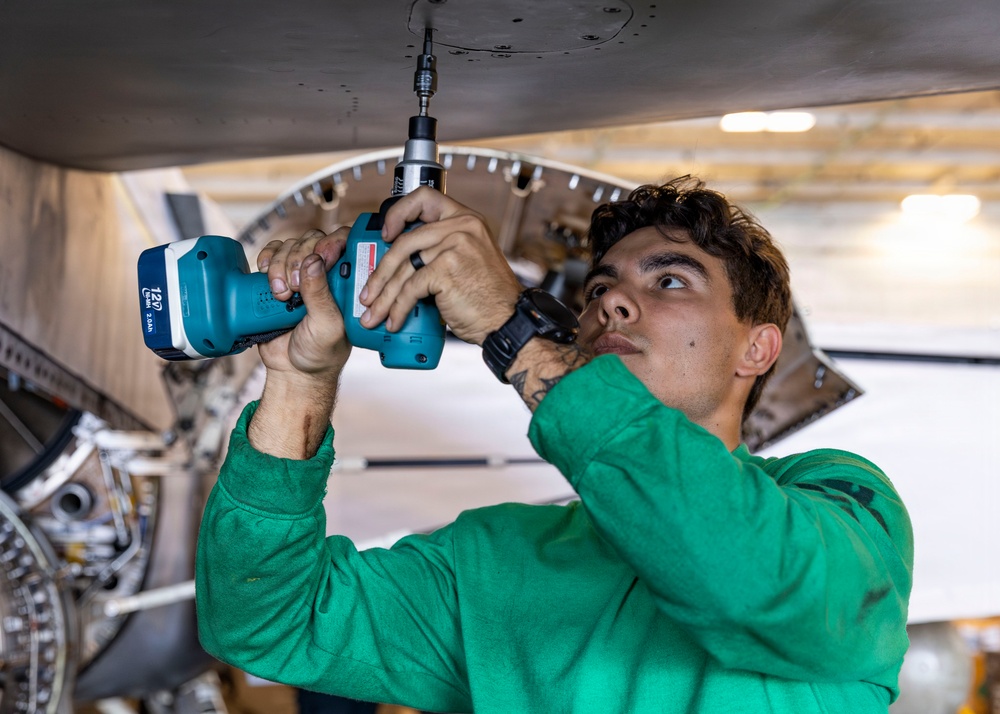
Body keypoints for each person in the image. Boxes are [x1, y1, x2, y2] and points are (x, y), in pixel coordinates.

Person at [195, 177, 913, 713]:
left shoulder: (839, 502)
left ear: (758, 348)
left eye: (669, 280)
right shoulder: (493, 559)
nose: (610, 303)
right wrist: (298, 379)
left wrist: (514, 330)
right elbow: (268, 622)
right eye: (600, 287)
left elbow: (750, 575)